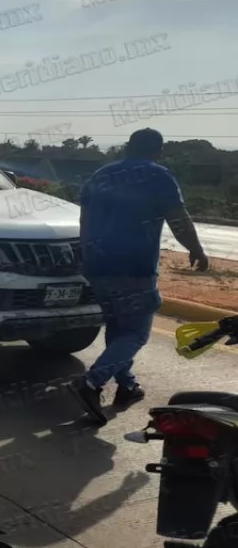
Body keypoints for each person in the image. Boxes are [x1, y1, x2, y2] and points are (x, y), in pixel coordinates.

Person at [69, 127, 209, 424]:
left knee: (118, 327)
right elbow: (178, 219)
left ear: (127, 147)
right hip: (133, 267)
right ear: (158, 151)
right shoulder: (157, 175)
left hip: (97, 265)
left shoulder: (101, 175)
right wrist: (195, 249)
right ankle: (91, 383)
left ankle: (128, 385)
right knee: (135, 333)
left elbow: (84, 218)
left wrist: (87, 252)